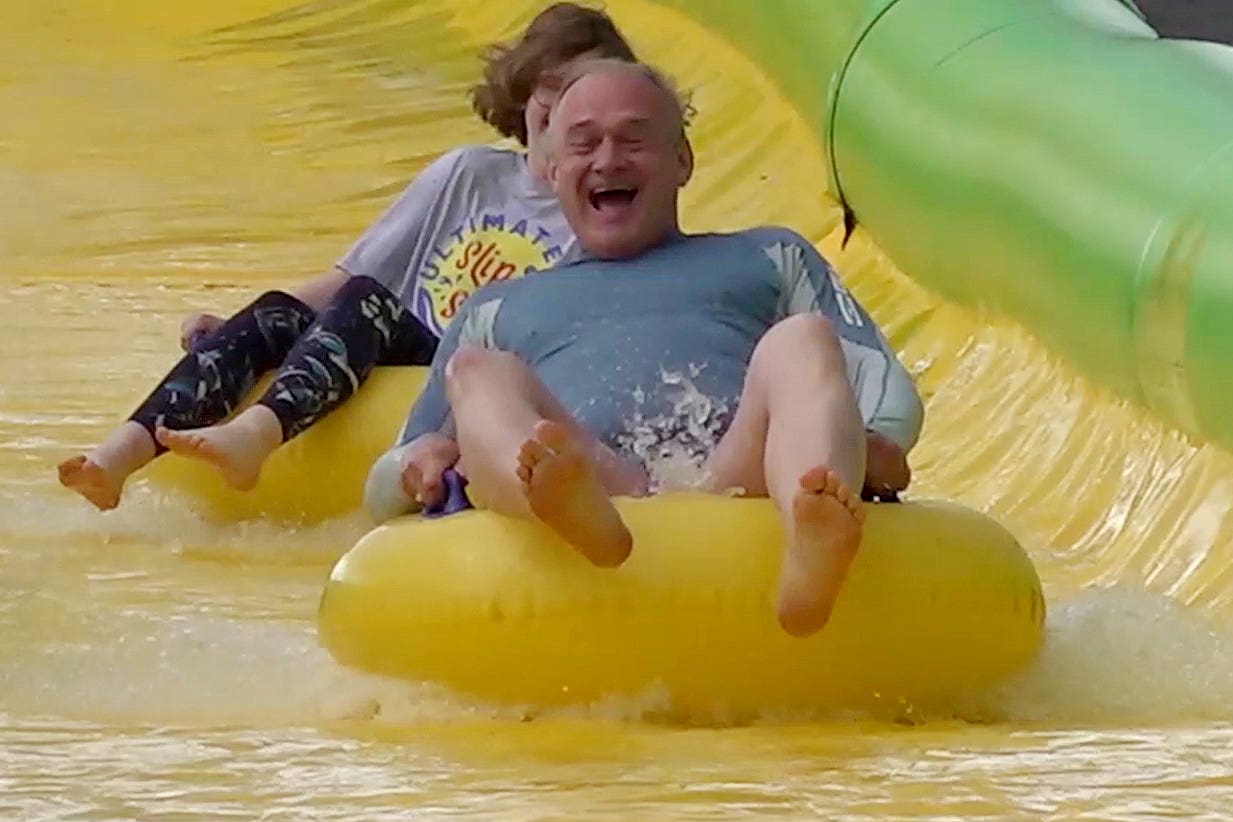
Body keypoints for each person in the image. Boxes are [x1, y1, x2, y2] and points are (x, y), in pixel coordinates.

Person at [366, 59, 924, 638]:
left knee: (802, 340)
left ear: (683, 161)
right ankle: (563, 506)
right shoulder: (497, 307)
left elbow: (886, 388)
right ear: (551, 170)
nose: (608, 160)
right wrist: (419, 462)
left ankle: (813, 527)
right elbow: (383, 482)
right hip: (593, 477)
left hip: (738, 474)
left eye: (633, 140)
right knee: (476, 372)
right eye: (584, 144)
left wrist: (872, 443)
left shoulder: (767, 256)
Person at [57, 3, 638, 511]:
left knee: (368, 305)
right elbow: (349, 276)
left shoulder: (597, 210)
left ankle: (259, 435)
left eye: (585, 92)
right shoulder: (468, 174)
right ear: (525, 94)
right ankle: (119, 456)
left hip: (455, 373)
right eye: (553, 86)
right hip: (377, 336)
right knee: (280, 311)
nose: (567, 105)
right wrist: (242, 324)